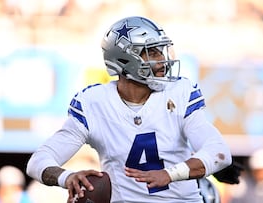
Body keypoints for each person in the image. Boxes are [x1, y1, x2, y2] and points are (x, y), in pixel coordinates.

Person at [26, 16, 232, 203]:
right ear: (124, 59)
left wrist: (170, 173)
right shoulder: (93, 103)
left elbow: (219, 153)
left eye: (161, 51)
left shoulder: (180, 91)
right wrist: (67, 177)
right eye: (151, 52)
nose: (162, 60)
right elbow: (37, 162)